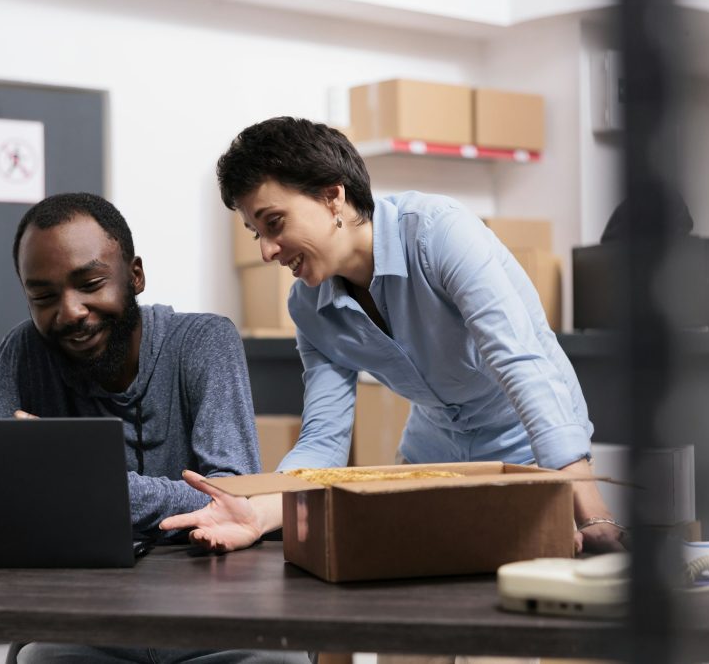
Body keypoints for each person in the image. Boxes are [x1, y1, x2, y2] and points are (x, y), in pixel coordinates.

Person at [161, 117, 625, 556]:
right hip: (435, 454)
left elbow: (520, 362)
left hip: (530, 448)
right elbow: (325, 436)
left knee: (541, 605)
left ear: (332, 197)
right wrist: (260, 513)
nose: (266, 250)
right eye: (254, 232)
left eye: (274, 223)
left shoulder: (437, 232)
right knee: (407, 611)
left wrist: (591, 511)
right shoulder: (308, 307)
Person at [0, 192, 308, 664]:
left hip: (213, 619)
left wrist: (73, 479)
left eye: (90, 282)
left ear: (135, 275)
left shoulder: (203, 341)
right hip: (85, 622)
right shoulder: (25, 351)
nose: (69, 311)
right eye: (43, 296)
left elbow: (231, 500)